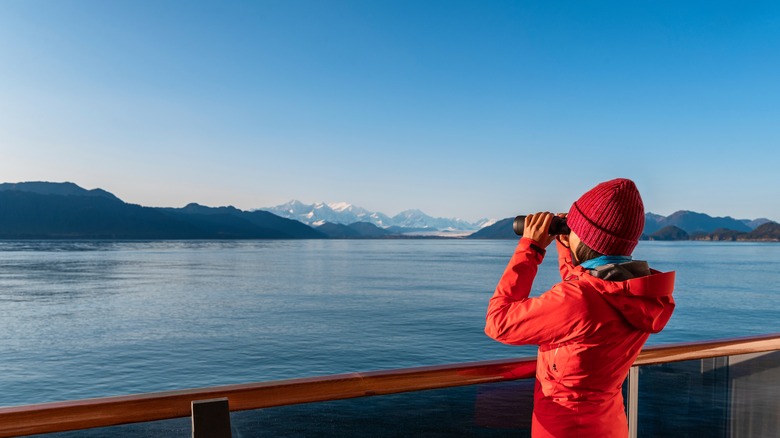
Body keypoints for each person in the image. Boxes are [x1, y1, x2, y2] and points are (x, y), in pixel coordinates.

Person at [484, 178, 675, 438]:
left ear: (585, 238)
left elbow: (498, 323)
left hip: (564, 429)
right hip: (608, 425)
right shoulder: (634, 291)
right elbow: (583, 294)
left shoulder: (580, 299)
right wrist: (567, 246)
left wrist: (531, 248)